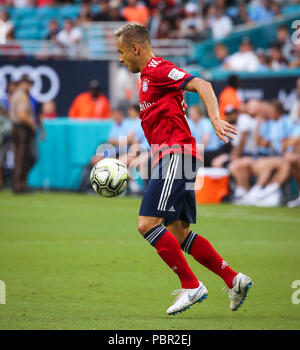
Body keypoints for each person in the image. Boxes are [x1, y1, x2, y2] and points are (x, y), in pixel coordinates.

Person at [114, 23, 253, 315]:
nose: (120, 59)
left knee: (146, 224)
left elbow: (202, 84)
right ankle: (234, 279)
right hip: (174, 156)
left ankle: (191, 285)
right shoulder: (148, 78)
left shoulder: (156, 69)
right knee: (177, 234)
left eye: (121, 52)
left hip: (176, 155)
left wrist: (214, 119)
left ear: (135, 48)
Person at [9, 75, 36, 193]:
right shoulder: (22, 96)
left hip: (17, 128)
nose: (30, 86)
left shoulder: (16, 94)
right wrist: (32, 123)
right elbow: (21, 114)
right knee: (21, 158)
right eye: (29, 83)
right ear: (23, 83)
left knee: (22, 157)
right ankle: (19, 185)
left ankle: (20, 184)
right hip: (21, 129)